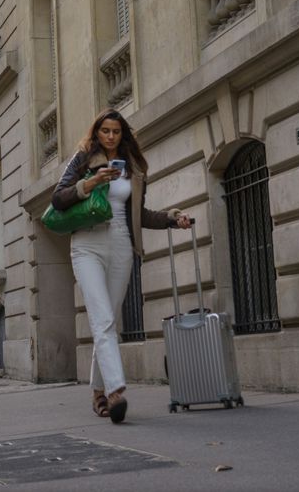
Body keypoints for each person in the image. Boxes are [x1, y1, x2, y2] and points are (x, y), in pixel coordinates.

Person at [52, 109, 193, 424]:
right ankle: (115, 392)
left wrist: (172, 217)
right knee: (101, 318)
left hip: (121, 246)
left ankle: (98, 394)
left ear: (123, 134)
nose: (110, 137)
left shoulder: (135, 168)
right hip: (87, 244)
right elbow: (57, 199)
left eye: (116, 131)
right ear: (96, 132)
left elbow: (139, 215)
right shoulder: (82, 159)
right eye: (105, 131)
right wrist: (90, 184)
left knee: (109, 320)